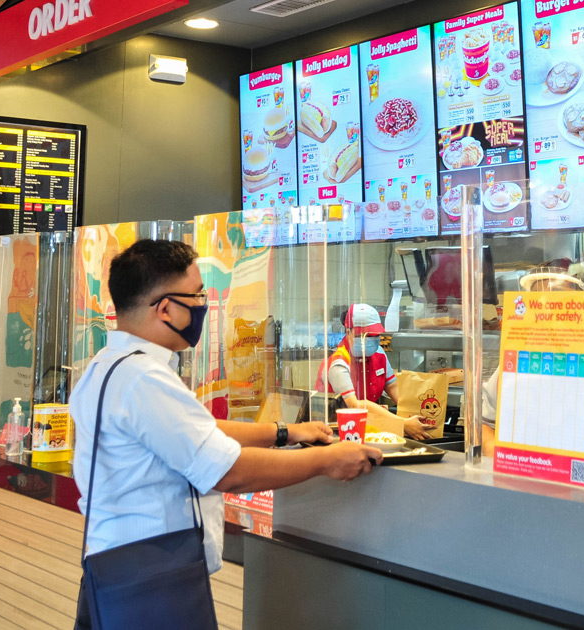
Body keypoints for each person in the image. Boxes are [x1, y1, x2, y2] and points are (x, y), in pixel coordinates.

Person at [70, 239, 381, 585]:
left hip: (119, 566)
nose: (203, 306)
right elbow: (228, 472)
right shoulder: (145, 379)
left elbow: (198, 430)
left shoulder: (108, 365)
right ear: (166, 309)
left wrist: (284, 432)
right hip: (151, 578)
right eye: (197, 295)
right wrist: (326, 460)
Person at [479, 265, 584, 478]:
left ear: (581, 305)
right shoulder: (515, 363)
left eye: (558, 296)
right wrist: (506, 466)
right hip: (521, 488)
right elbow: (485, 427)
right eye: (539, 299)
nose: (548, 305)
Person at [316, 304, 434, 440]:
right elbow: (354, 405)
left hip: (368, 426)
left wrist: (413, 414)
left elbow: (392, 386)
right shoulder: (339, 363)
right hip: (339, 432)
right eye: (366, 335)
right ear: (348, 332)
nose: (372, 339)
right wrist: (403, 424)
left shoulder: (378, 352)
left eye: (375, 335)